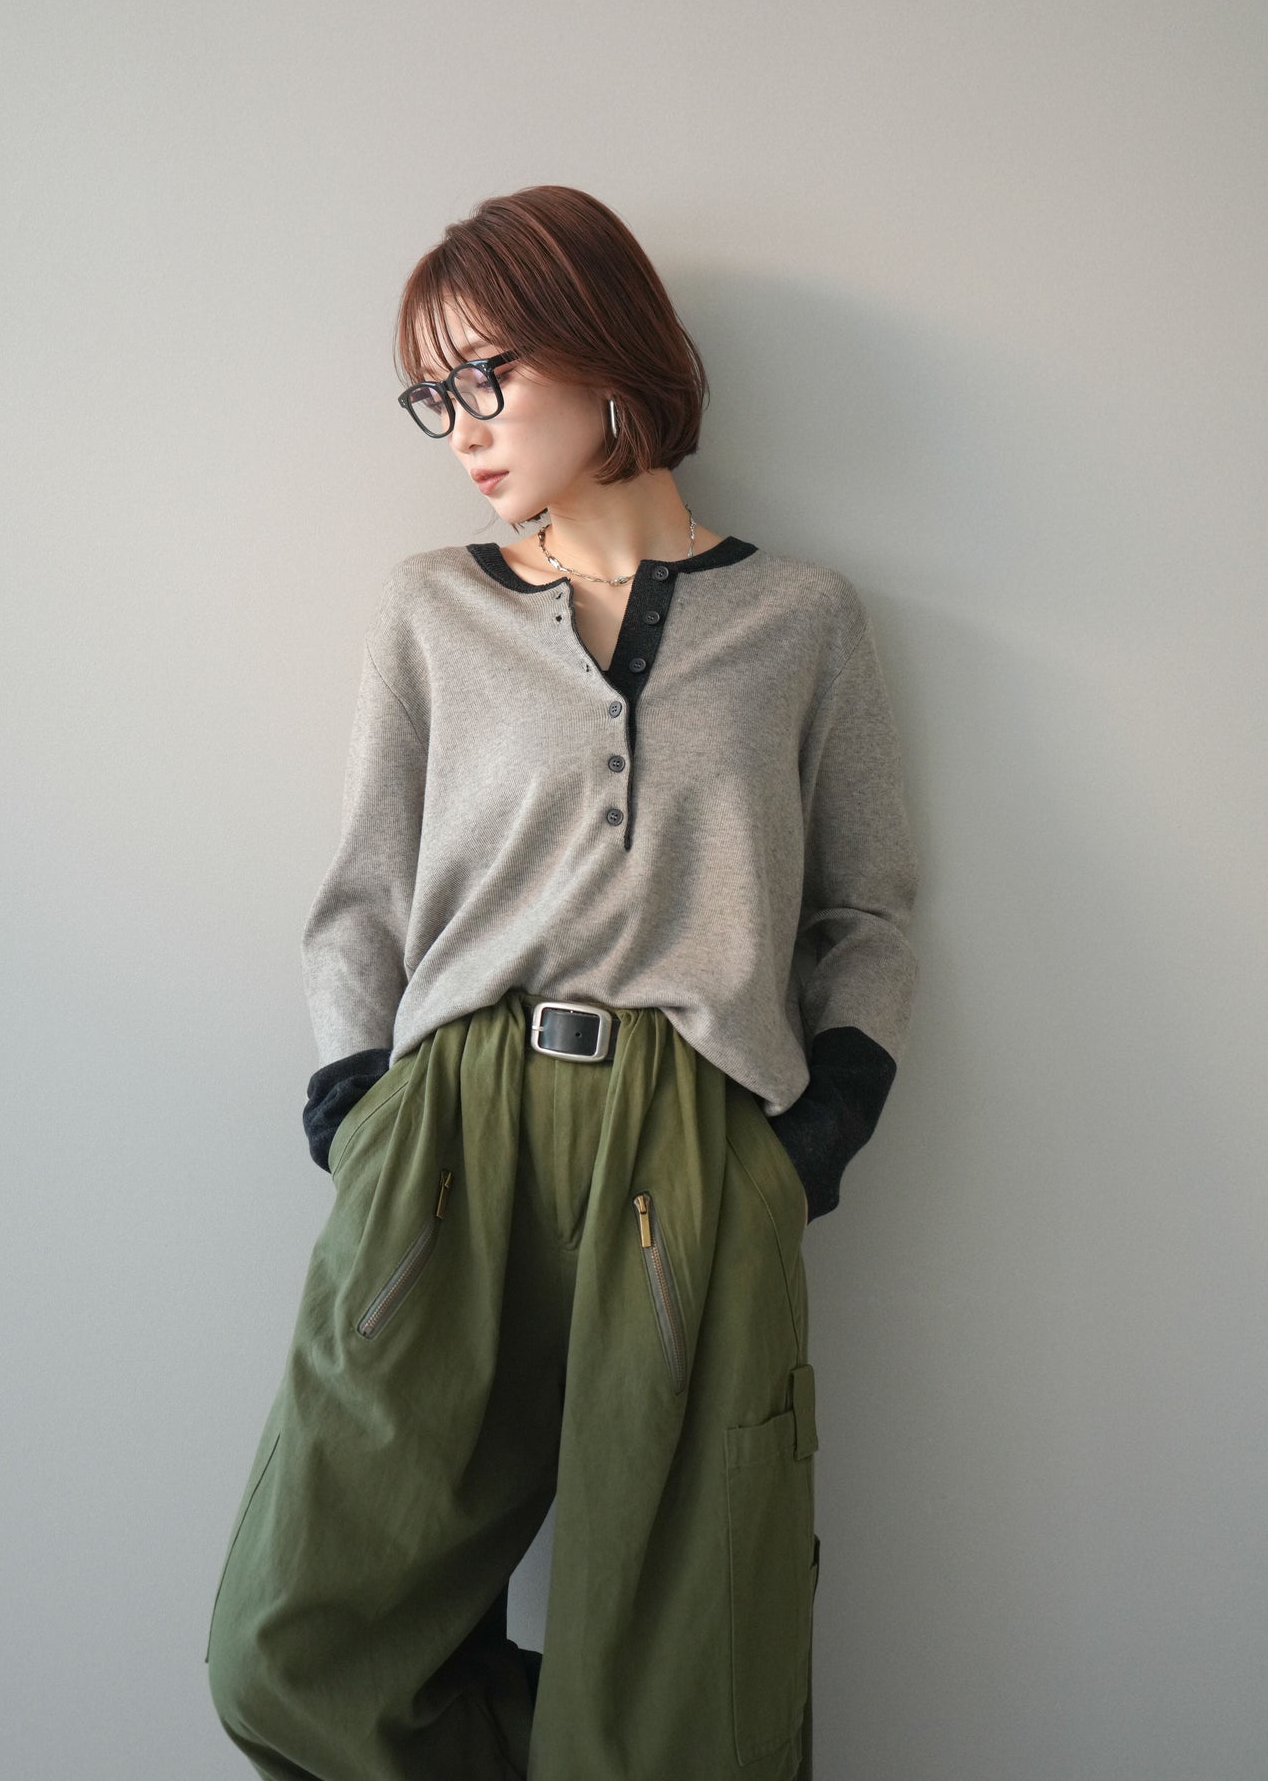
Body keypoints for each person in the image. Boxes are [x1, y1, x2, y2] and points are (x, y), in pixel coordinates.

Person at [204, 183, 920, 1781]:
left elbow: (867, 910)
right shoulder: (432, 609)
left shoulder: (801, 621)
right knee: (288, 1657)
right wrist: (357, 1115)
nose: (461, 425)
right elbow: (362, 898)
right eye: (432, 391)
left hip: (694, 1144)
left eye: (489, 373)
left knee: (682, 1706)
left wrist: (814, 1137)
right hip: (449, 1137)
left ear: (605, 350)